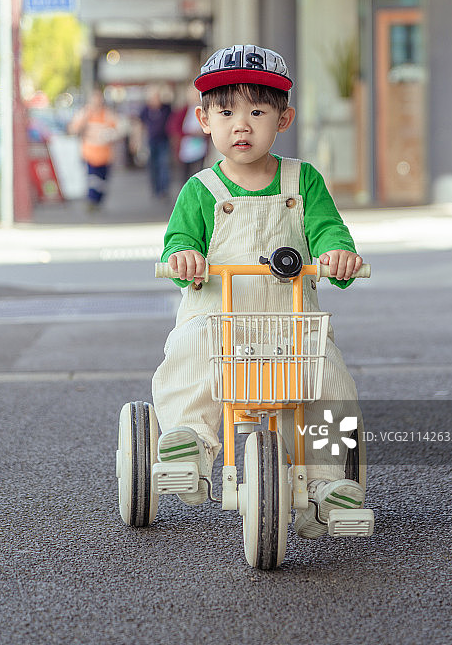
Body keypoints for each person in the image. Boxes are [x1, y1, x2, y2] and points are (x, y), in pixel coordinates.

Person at [152, 44, 366, 539]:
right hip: (219, 321)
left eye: (257, 111)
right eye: (226, 112)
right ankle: (191, 439)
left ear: (283, 118)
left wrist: (338, 256)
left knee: (331, 380)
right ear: (204, 119)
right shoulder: (201, 189)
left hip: (291, 326)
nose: (241, 125)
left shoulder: (302, 180)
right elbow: (179, 242)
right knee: (190, 352)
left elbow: (329, 231)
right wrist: (185, 258)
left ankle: (329, 483)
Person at [68, 88, 120, 210]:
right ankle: (92, 202)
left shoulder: (107, 114)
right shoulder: (84, 113)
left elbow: (118, 130)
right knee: (92, 180)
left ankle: (98, 202)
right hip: (89, 154)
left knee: (102, 182)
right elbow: (73, 129)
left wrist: (110, 135)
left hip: (105, 155)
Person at [139, 86, 172, 199]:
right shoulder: (145, 110)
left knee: (163, 164)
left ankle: (164, 189)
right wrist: (137, 141)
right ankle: (155, 189)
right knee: (153, 166)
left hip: (164, 141)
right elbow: (140, 125)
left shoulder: (166, 108)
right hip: (151, 141)